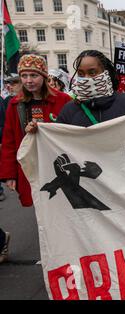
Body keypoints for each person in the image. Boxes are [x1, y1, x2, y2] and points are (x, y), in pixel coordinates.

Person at [0, 54, 71, 207]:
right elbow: (9, 141)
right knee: (40, 204)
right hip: (31, 165)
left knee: (63, 203)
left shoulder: (64, 100)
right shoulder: (15, 104)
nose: (28, 80)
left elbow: (74, 132)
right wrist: (10, 174)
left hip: (58, 163)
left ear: (44, 76)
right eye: (24, 76)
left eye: (33, 75)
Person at [45, 50, 125, 128]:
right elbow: (57, 139)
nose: (86, 78)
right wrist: (37, 132)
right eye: (81, 74)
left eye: (92, 72)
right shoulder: (70, 109)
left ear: (105, 72)